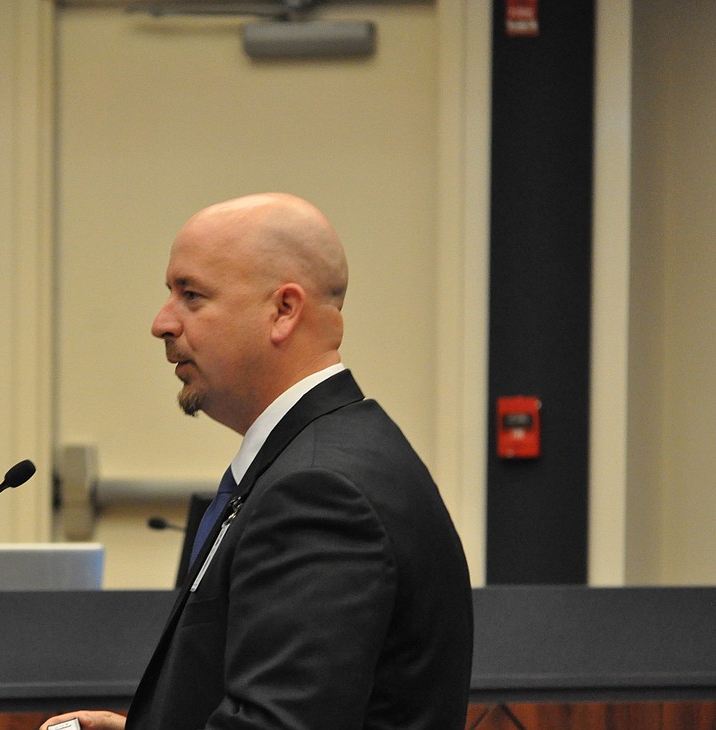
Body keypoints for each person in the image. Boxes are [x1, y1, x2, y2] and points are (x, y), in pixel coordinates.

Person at [41, 193, 473, 730]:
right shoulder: (324, 455)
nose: (162, 323)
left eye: (191, 295)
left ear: (283, 311)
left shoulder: (319, 490)